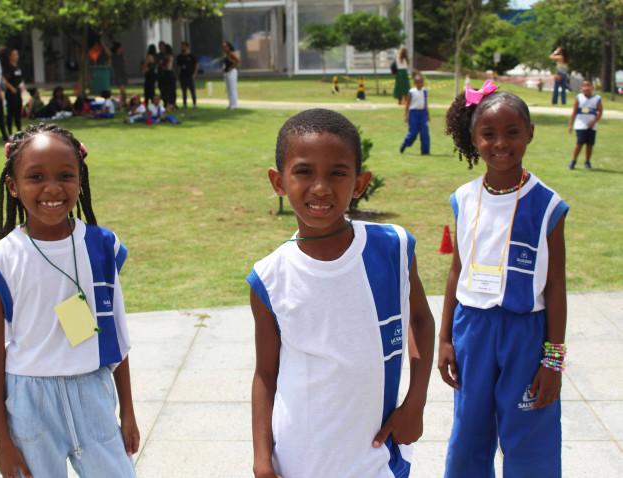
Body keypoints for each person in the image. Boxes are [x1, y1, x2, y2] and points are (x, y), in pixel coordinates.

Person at [249, 108, 435, 478]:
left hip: (375, 457)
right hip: (300, 458)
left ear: (361, 182)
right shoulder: (269, 277)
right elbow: (265, 375)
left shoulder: (393, 248)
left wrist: (416, 402)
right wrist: (261, 458)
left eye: (337, 173)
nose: (321, 187)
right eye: (303, 171)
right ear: (278, 182)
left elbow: (419, 320)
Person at [0, 123, 139, 478]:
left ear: (79, 180)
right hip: (30, 403)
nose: (52, 188)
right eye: (35, 177)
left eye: (65, 175)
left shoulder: (102, 246)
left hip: (92, 392)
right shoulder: (0, 261)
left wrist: (127, 410)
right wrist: (2, 442)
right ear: (13, 186)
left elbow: (118, 335)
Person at [440, 83, 569, 478]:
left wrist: (553, 361)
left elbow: (556, 287)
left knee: (530, 437)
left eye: (512, 132)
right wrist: (445, 339)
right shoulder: (463, 198)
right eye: (489, 134)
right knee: (468, 437)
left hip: (525, 336)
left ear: (530, 133)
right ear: (474, 138)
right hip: (473, 332)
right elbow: (455, 272)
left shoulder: (548, 205)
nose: (500, 143)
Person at [568, 79, 603, 170]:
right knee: (579, 143)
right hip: (580, 124)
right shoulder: (579, 97)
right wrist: (570, 125)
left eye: (588, 86)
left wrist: (594, 121)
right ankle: (573, 161)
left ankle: (587, 162)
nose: (586, 88)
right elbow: (574, 111)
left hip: (592, 126)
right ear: (581, 88)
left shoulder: (597, 98)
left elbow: (600, 111)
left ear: (592, 87)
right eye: (584, 86)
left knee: (590, 144)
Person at [400, 73, 430, 155]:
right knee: (413, 133)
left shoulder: (424, 91)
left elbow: (426, 103)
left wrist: (428, 114)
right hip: (413, 113)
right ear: (415, 83)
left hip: (422, 113)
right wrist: (406, 115)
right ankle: (405, 144)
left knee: (425, 132)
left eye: (422, 82)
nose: (420, 84)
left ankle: (425, 151)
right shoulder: (411, 92)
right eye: (418, 82)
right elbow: (407, 105)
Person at [3, 48, 24, 136]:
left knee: (18, 113)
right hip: (10, 93)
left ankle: (19, 131)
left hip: (18, 93)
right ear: (10, 56)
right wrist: (11, 88)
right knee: (10, 113)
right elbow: (4, 79)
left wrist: (23, 87)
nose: (16, 56)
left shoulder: (18, 67)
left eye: (17, 54)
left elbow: (21, 79)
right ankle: (10, 133)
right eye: (14, 54)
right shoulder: (8, 68)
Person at [176, 42, 198, 108]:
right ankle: (184, 104)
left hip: (190, 75)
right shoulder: (179, 57)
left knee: (192, 90)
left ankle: (194, 104)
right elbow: (178, 66)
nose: (182, 47)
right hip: (182, 76)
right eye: (181, 46)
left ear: (187, 47)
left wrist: (195, 73)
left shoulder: (192, 56)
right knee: (184, 90)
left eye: (183, 46)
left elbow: (196, 65)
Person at [109, 42, 128, 107]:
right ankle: (123, 103)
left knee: (123, 92)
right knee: (123, 91)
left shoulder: (122, 55)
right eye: (121, 47)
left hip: (123, 75)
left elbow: (125, 64)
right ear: (117, 48)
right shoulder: (113, 55)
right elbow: (106, 49)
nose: (122, 48)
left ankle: (123, 103)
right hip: (118, 76)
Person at [222, 41, 239, 110]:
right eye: (223, 47)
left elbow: (237, 61)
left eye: (225, 46)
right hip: (226, 73)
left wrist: (231, 68)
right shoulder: (225, 54)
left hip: (232, 72)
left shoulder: (231, 53)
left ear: (228, 47)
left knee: (232, 89)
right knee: (228, 89)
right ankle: (230, 104)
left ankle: (234, 105)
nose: (224, 48)